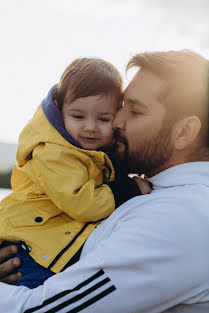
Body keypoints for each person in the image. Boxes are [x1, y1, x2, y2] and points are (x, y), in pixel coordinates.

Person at [0, 49, 209, 313]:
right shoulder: (155, 194)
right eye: (121, 107)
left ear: (184, 132)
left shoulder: (180, 217)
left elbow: (39, 310)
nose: (117, 122)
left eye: (134, 111)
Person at [0, 58, 144, 289]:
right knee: (37, 295)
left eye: (103, 119)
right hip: (27, 245)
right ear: (60, 110)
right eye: (78, 117)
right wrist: (127, 190)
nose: (90, 127)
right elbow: (82, 202)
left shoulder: (90, 154)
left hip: (46, 241)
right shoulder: (54, 153)